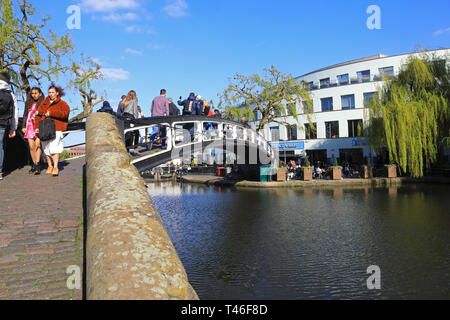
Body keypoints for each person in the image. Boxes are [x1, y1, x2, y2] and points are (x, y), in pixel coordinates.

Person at [34, 84, 70, 177]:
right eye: (49, 92)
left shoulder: (63, 104)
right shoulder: (44, 103)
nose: (51, 94)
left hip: (57, 128)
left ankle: (55, 167)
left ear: (57, 93)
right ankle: (49, 166)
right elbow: (37, 115)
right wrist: (36, 127)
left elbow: (65, 114)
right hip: (44, 128)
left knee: (54, 148)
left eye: (53, 92)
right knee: (46, 148)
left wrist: (52, 113)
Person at [0, 70, 19, 181]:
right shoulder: (10, 93)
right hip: (3, 122)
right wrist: (13, 128)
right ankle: (0, 171)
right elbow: (15, 112)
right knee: (0, 145)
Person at [22, 87, 45, 175]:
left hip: (39, 126)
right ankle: (34, 165)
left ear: (40, 94)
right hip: (29, 126)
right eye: (32, 93)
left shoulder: (43, 103)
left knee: (37, 145)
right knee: (31, 147)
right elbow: (25, 115)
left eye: (36, 93)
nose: (34, 95)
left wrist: (39, 113)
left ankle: (38, 165)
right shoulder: (28, 103)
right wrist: (23, 126)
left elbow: (45, 114)